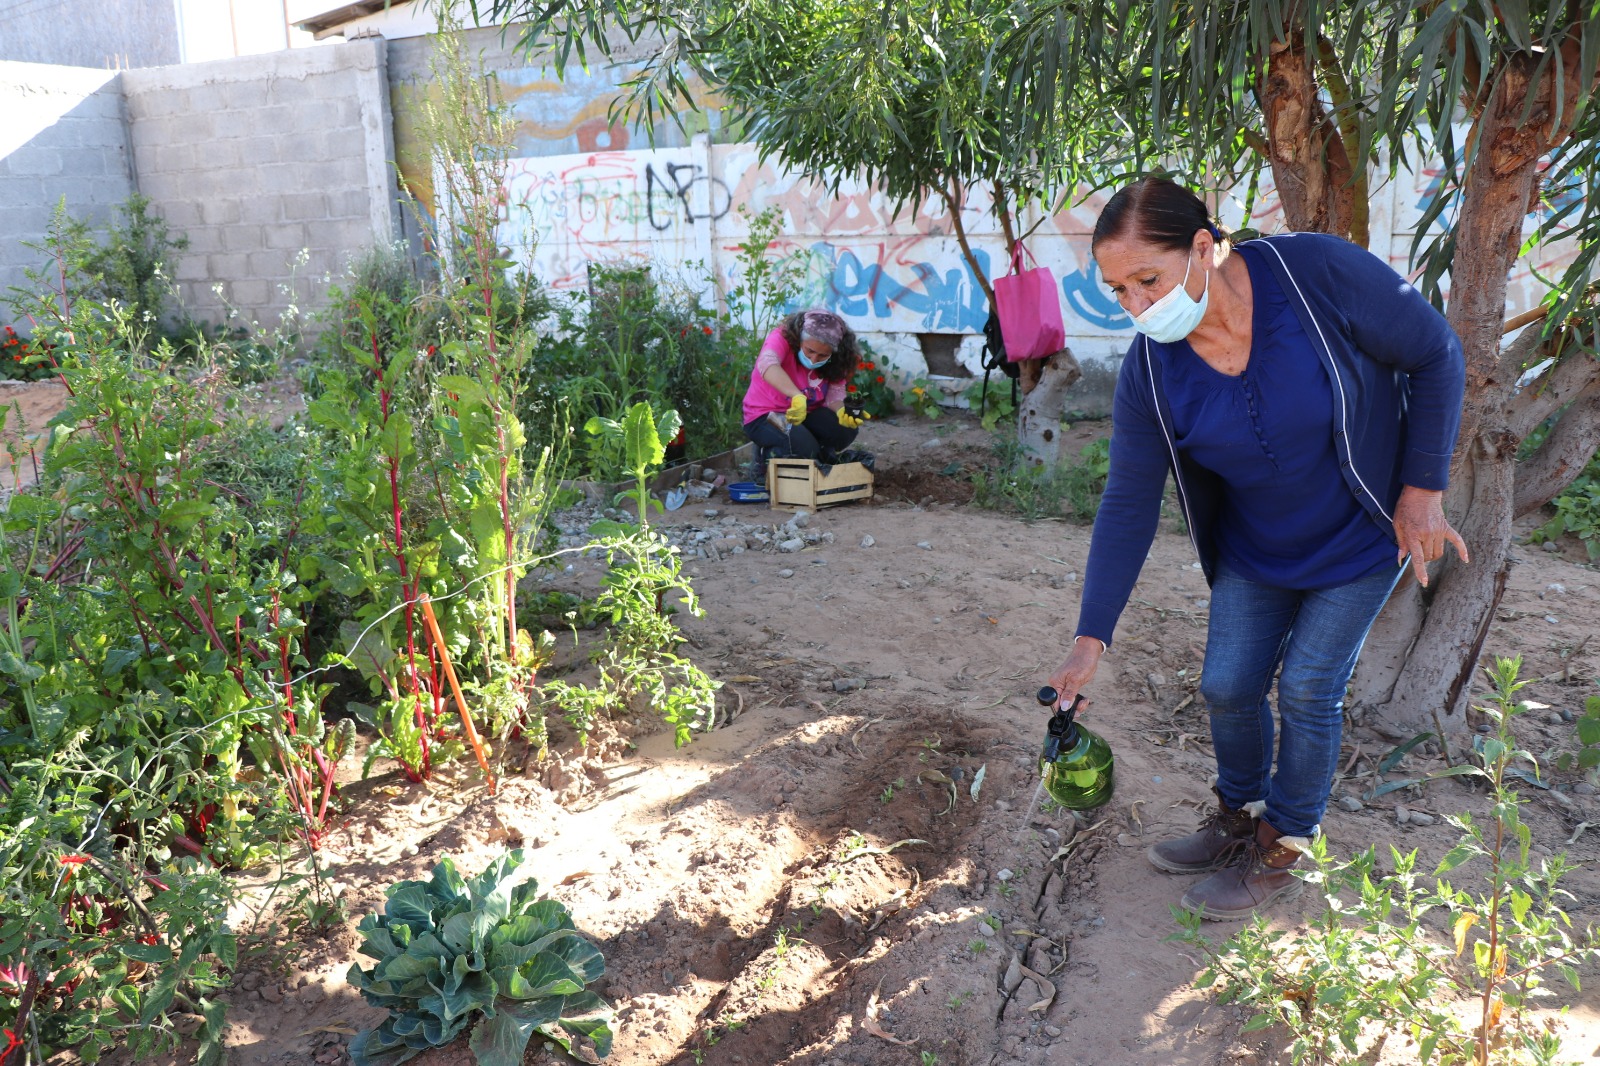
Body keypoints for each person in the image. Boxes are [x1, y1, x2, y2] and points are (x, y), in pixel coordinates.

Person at [1046, 177, 1469, 920]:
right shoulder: (1150, 366)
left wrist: (1421, 489)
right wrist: (1090, 641)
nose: (1138, 307)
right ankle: (1237, 815)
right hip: (1256, 548)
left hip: (1361, 534)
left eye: (1148, 279)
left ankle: (1287, 841)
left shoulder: (1314, 273)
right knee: (1227, 686)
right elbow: (1127, 501)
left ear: (1203, 248)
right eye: (1118, 291)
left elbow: (1435, 352)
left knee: (1309, 688)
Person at [742, 308, 866, 466]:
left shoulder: (839, 357)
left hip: (805, 414)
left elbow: (835, 394)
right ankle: (764, 461)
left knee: (844, 430)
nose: (814, 360)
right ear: (799, 340)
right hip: (766, 415)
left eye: (822, 355)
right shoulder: (782, 336)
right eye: (810, 351)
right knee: (805, 450)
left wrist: (842, 410)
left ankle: (813, 460)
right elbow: (767, 364)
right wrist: (796, 395)